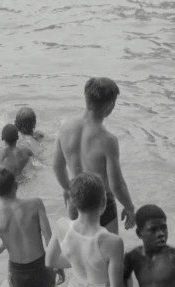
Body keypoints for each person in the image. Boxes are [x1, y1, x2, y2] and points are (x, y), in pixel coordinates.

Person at [52, 77, 136, 234]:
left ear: (86, 98)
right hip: (101, 203)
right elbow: (116, 184)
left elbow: (57, 166)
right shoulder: (107, 140)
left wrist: (67, 187)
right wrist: (130, 207)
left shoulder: (65, 127)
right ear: (110, 105)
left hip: (76, 199)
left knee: (80, 250)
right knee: (107, 251)